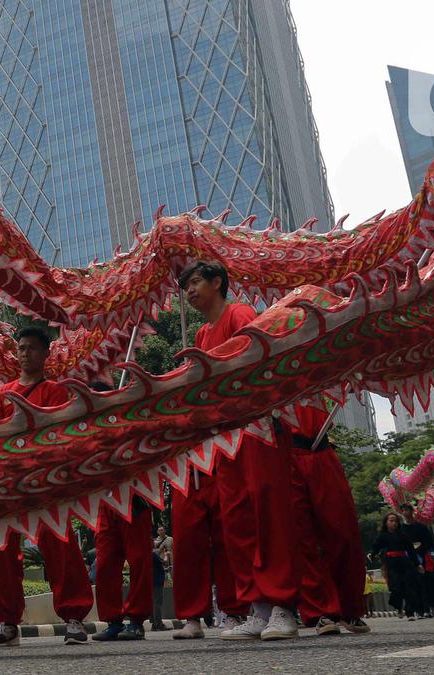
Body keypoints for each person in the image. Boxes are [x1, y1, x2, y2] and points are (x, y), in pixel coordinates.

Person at [177, 260, 299, 641]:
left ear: (217, 282)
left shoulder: (240, 314)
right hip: (223, 438)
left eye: (196, 282)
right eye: (186, 285)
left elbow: (257, 364)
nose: (190, 290)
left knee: (266, 513)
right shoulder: (200, 335)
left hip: (256, 428)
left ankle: (283, 606)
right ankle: (258, 606)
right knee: (236, 520)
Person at [0, 326, 94, 647]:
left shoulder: (56, 392)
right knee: (1, 552)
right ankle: (6, 622)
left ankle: (74, 617)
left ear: (46, 354)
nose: (25, 353)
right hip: (8, 485)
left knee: (61, 548)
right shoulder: (0, 395)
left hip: (46, 483)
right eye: (21, 348)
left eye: (32, 348)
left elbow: (63, 435)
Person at [285, 401, 370, 634]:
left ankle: (349, 608)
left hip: (321, 450)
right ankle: (320, 611)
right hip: (285, 454)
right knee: (302, 540)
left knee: (344, 532)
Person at [89, 381, 157, 642]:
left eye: (99, 397)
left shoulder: (130, 422)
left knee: (139, 559)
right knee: (105, 563)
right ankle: (113, 619)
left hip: (134, 498)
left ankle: (137, 620)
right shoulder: (87, 432)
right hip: (106, 505)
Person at [169, 464, 248, 640]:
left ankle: (234, 612)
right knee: (186, 544)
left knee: (227, 541)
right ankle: (192, 617)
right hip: (184, 471)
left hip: (220, 467)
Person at [372, 513, 420, 620]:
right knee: (396, 587)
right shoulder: (382, 536)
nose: (394, 523)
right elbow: (375, 547)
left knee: (409, 587)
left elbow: (411, 550)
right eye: (391, 521)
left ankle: (410, 612)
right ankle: (398, 607)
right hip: (391, 564)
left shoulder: (403, 535)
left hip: (404, 563)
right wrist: (372, 554)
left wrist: (417, 564)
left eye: (395, 521)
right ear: (386, 523)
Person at [399, 503, 434, 618]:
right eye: (403, 510)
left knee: (425, 582)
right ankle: (417, 609)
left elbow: (429, 542)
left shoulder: (422, 527)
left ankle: (428, 607)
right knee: (411, 584)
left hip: (422, 556)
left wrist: (420, 550)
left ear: (412, 511)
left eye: (407, 510)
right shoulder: (401, 529)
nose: (405, 512)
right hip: (408, 558)